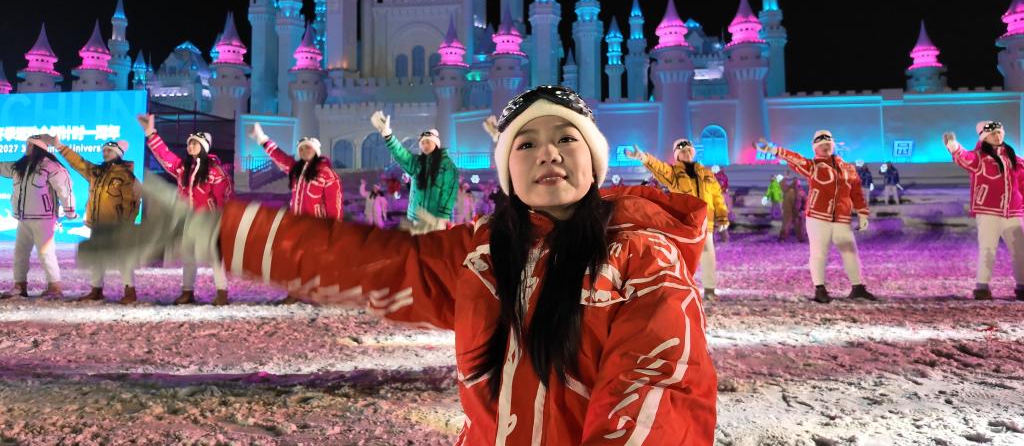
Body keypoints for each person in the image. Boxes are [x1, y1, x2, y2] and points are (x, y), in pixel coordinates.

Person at [82, 85, 718, 444]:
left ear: (593, 158)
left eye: (565, 138)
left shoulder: (642, 258)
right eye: (525, 142)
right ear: (509, 168)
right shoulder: (483, 255)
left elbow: (654, 398)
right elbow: (367, 262)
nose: (547, 153)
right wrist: (214, 232)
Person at [755, 130, 878, 303]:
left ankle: (857, 287)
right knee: (819, 253)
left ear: (833, 145)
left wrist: (862, 212)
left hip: (841, 217)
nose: (825, 146)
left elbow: (856, 192)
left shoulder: (848, 168)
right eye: (821, 144)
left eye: (828, 143)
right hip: (818, 217)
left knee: (850, 251)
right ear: (815, 148)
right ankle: (820, 289)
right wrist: (773, 150)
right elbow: (795, 158)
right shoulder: (813, 166)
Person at [139, 114, 233, 305]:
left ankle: (222, 293)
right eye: (189, 143)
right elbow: (166, 156)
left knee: (215, 257)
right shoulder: (184, 168)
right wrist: (150, 133)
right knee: (189, 256)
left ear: (204, 147)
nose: (190, 146)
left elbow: (224, 196)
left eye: (195, 143)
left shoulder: (215, 171)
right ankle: (187, 292)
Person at [626, 137, 729, 302]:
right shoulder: (673, 173)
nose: (686, 153)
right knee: (682, 258)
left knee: (708, 255)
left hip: (705, 222)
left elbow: (717, 197)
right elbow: (659, 168)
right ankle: (680, 289)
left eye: (688, 150)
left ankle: (709, 289)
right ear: (677, 155)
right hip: (685, 221)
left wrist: (722, 216)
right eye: (682, 151)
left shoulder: (707, 173)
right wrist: (643, 157)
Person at [40, 135, 141, 303]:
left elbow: (132, 202)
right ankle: (96, 290)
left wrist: (126, 223)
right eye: (104, 150)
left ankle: (130, 291)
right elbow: (78, 162)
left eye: (109, 151)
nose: (105, 153)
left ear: (118, 153)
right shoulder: (96, 172)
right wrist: (59, 146)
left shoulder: (126, 176)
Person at [249, 123, 342, 303]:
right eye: (301, 148)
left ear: (316, 151)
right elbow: (279, 156)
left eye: (308, 147)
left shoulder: (327, 174)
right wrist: (261, 138)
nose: (305, 151)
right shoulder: (295, 169)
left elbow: (334, 202)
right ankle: (294, 293)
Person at [945, 121, 1024, 301]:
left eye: (999, 132)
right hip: (988, 211)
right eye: (993, 133)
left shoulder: (1016, 159)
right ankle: (982, 287)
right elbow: (965, 158)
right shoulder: (979, 158)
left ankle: (1022, 285)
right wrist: (954, 146)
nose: (997, 136)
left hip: (1013, 212)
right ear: (984, 137)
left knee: (1020, 250)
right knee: (987, 249)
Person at [0, 136, 76, 300]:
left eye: (30, 144)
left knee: (46, 253)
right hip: (23, 218)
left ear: (38, 148)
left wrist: (69, 210)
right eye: (26, 144)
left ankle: (55, 286)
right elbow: (2, 167)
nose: (27, 147)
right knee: (20, 253)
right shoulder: (20, 166)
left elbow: (65, 189)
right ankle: (20, 286)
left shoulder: (51, 166)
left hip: (44, 219)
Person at [369, 113, 459, 234]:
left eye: (428, 142)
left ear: (436, 143)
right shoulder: (418, 163)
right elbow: (401, 154)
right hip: (417, 218)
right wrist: (388, 135)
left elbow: (449, 191)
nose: (425, 145)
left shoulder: (446, 165)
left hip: (436, 219)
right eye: (422, 143)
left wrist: (443, 216)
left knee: (434, 245)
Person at [779, 171, 807, 242]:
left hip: (797, 211)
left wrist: (803, 210)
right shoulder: (788, 190)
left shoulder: (800, 192)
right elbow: (782, 184)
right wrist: (785, 177)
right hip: (789, 211)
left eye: (797, 182)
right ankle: (782, 238)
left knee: (799, 226)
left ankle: (801, 239)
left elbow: (805, 202)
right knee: (787, 225)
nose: (795, 183)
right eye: (795, 181)